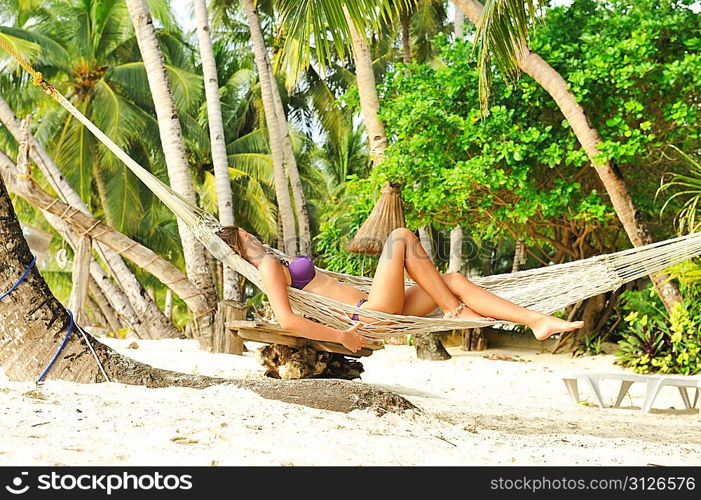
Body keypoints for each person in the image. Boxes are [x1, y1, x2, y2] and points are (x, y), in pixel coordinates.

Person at [216, 226, 584, 353]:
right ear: (239, 252)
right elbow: (288, 320)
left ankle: (536, 321)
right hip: (367, 317)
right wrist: (343, 337)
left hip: (376, 308)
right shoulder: (266, 267)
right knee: (401, 238)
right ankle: (455, 312)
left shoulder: (273, 260)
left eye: (247, 233)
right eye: (243, 239)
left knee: (454, 281)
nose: (251, 237)